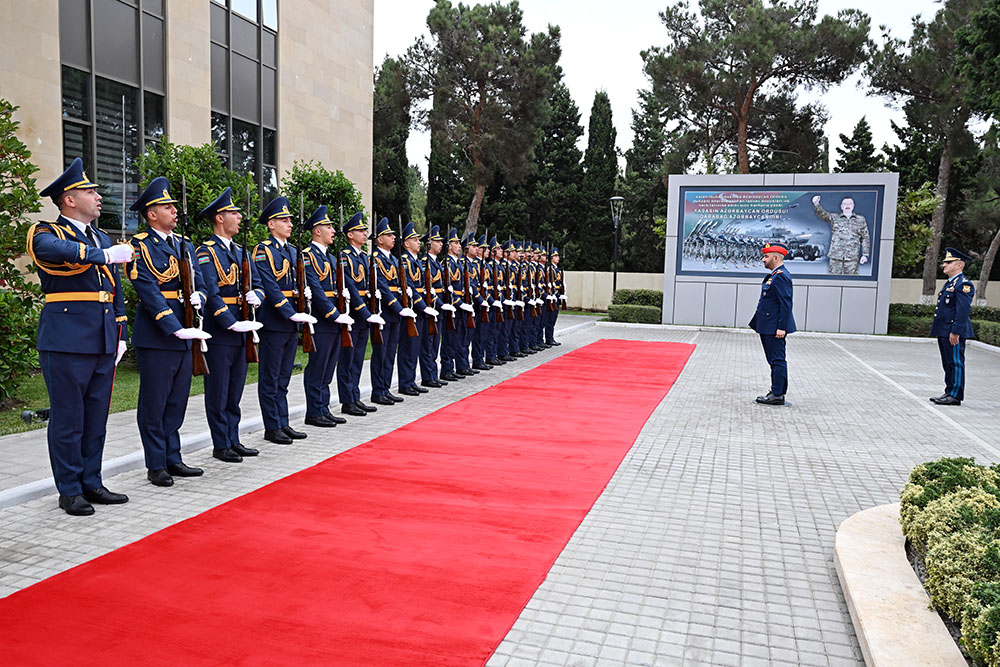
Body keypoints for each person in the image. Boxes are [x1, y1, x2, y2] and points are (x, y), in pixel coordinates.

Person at [28, 157, 132, 515]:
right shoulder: (48, 232)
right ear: (69, 199)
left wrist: (122, 330)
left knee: (95, 417)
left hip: (103, 337)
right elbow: (52, 252)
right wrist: (101, 254)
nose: (98, 197)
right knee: (69, 416)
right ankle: (69, 489)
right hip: (67, 337)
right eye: (90, 191)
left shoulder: (101, 236)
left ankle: (92, 481)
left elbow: (115, 290)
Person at [128, 177, 212, 487]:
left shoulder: (184, 245)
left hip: (186, 330)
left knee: (177, 399)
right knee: (155, 401)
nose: (174, 210)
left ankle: (173, 457)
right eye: (167, 206)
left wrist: (198, 298)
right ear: (151, 213)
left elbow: (201, 284)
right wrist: (174, 328)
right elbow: (147, 289)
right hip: (158, 334)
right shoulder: (138, 245)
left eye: (174, 206)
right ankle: (156, 464)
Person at [197, 187, 265, 463]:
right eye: (233, 213)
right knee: (219, 389)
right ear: (219, 218)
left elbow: (258, 284)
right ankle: (220, 443)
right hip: (222, 331)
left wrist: (256, 298)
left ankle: (233, 438)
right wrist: (230, 322)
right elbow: (211, 292)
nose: (239, 217)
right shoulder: (206, 252)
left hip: (244, 328)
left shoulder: (242, 252)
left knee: (235, 388)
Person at [252, 196, 317, 444]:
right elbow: (270, 285)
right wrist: (290, 312)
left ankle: (283, 421)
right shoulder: (263, 250)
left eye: (290, 219)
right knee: (270, 376)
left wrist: (304, 295)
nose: (290, 224)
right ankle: (272, 426)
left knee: (284, 377)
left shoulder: (293, 250)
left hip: (291, 320)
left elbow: (296, 283)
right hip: (275, 320)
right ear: (271, 224)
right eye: (284, 220)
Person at [301, 205, 354, 427]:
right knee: (318, 365)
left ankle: (323, 407)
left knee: (328, 366)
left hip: (334, 320)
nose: (333, 230)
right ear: (316, 230)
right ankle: (314, 411)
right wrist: (334, 314)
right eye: (328, 226)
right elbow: (315, 289)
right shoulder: (307, 255)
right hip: (321, 321)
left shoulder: (331, 258)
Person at [337, 212, 386, 416]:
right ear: (350, 234)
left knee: (357, 359)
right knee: (347, 359)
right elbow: (350, 285)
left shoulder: (365, 258)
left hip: (365, 313)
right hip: (354, 314)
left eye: (365, 230)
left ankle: (355, 396)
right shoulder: (345, 257)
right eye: (360, 230)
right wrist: (365, 312)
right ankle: (347, 400)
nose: (365, 234)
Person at [370, 217, 416, 405]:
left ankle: (385, 388)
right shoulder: (375, 259)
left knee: (390, 352)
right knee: (380, 352)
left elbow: (398, 285)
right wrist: (400, 308)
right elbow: (382, 286)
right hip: (383, 312)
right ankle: (378, 390)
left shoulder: (394, 260)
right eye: (389, 235)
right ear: (379, 239)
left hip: (395, 313)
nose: (393, 238)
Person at [749, 242, 796, 406]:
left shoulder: (781, 276)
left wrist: (782, 327)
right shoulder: (775, 275)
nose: (763, 259)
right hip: (769, 325)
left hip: (774, 327)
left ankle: (777, 394)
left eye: (766, 256)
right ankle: (776, 390)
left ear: (776, 258)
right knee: (774, 360)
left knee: (777, 360)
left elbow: (785, 303)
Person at [930, 247, 975, 406]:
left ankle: (955, 395)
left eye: (949, 262)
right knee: (947, 362)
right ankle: (949, 391)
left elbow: (962, 311)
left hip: (953, 331)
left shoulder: (963, 285)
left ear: (959, 265)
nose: (944, 265)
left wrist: (955, 331)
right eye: (944, 262)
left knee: (955, 362)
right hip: (944, 330)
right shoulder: (950, 283)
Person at [396, 221, 438, 395]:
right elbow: (411, 286)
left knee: (415, 347)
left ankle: (411, 380)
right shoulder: (404, 261)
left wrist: (429, 302)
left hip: (419, 310)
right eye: (414, 239)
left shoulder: (417, 262)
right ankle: (405, 383)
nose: (419, 242)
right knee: (408, 347)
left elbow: (422, 286)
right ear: (406, 243)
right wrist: (423, 306)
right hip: (411, 309)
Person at [419, 226, 452, 387]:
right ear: (429, 244)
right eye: (437, 241)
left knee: (434, 343)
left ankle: (433, 373)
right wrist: (439, 304)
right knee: (428, 343)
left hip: (438, 306)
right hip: (430, 306)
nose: (441, 244)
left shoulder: (436, 263)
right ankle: (428, 376)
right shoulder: (425, 262)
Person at [811, 195, 871, 275]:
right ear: (841, 206)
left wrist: (865, 255)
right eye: (845, 204)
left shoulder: (860, 220)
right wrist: (816, 204)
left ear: (853, 206)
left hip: (852, 257)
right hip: (836, 256)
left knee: (852, 282)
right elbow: (823, 214)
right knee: (833, 281)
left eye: (850, 204)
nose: (847, 206)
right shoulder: (834, 218)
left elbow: (865, 238)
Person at [545, 247, 564, 346]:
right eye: (555, 256)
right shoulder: (550, 269)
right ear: (551, 258)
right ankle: (549, 338)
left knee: (553, 318)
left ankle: (551, 337)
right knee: (550, 319)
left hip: (556, 296)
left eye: (558, 256)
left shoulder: (557, 270)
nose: (558, 258)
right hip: (552, 296)